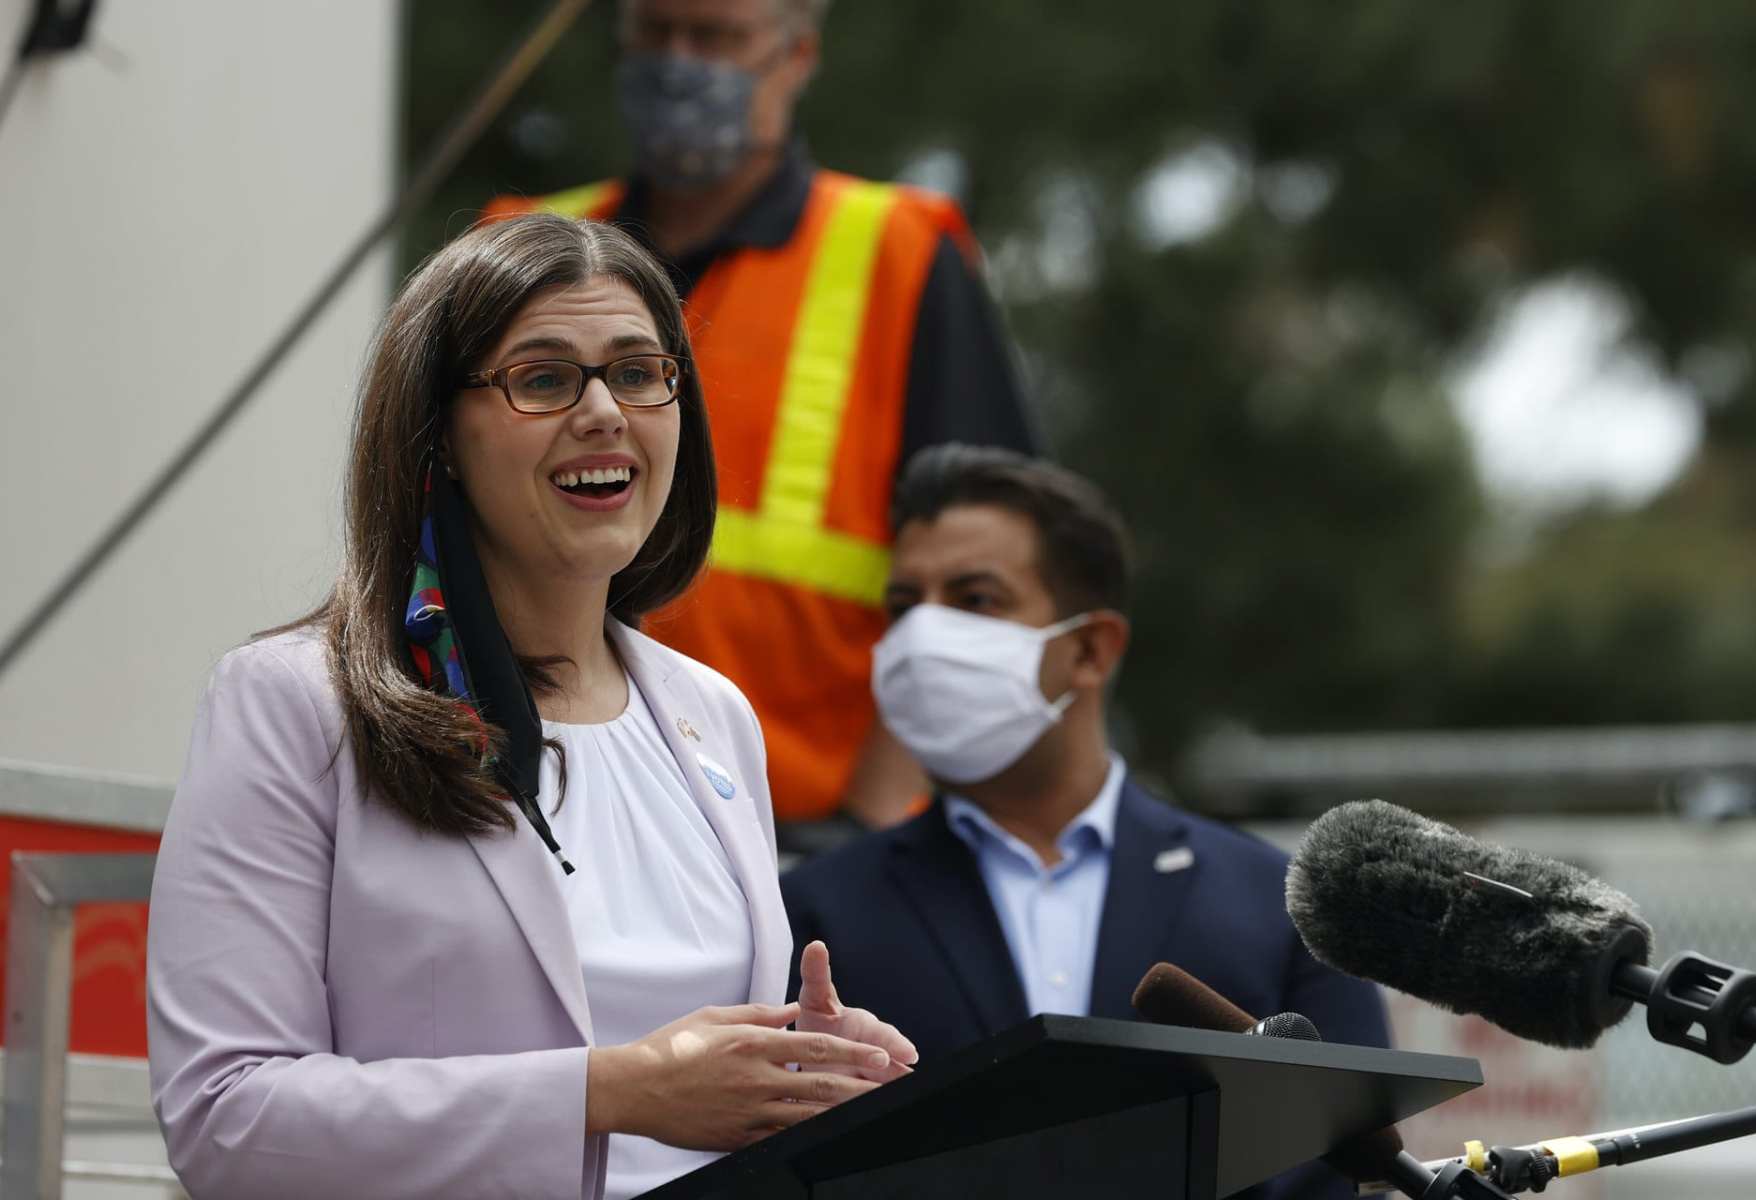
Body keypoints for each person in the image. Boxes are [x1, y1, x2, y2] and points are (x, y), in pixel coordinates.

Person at [146, 214, 916, 1200]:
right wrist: (612, 1092)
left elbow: (702, 1105)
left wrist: (805, 1073)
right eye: (544, 379)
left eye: (640, 373)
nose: (604, 411)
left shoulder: (712, 716)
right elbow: (227, 1116)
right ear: (443, 438)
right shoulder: (293, 703)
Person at [483, 0, 1037, 833]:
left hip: (811, 828)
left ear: (797, 54)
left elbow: (998, 554)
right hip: (558, 801)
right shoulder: (518, 246)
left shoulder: (898, 250)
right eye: (654, 33)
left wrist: (882, 807)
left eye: (713, 37)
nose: (677, 63)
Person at [780, 445, 1391, 1199]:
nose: (922, 640)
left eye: (974, 599)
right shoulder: (815, 915)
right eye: (905, 606)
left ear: (1090, 650)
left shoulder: (1282, 907)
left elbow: (1340, 1166)